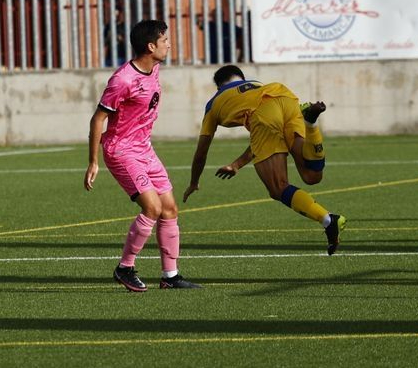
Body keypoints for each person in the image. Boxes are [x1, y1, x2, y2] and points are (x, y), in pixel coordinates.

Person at [84, 20, 201, 291]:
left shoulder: (154, 67)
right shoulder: (122, 80)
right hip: (121, 150)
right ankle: (124, 268)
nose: (169, 44)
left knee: (170, 209)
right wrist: (93, 161)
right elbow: (98, 119)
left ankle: (170, 276)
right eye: (164, 40)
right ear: (150, 46)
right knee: (152, 208)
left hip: (144, 148)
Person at [183, 64, 346, 255]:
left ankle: (328, 220)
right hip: (285, 96)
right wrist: (237, 164)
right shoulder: (257, 85)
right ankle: (310, 124)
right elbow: (260, 135)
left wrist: (193, 182)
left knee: (278, 187)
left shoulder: (214, 104)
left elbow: (201, 152)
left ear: (219, 87)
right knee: (312, 175)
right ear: (242, 79)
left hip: (264, 111)